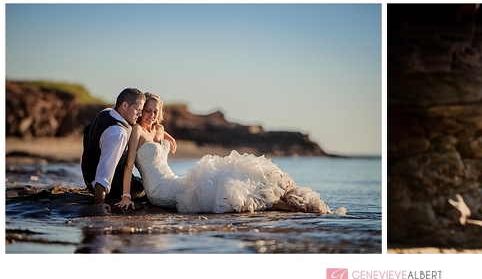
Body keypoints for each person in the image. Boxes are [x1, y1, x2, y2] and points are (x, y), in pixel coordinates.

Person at [115, 92, 345, 215]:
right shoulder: (136, 131)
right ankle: (273, 204)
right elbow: (128, 166)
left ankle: (279, 202)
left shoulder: (159, 129)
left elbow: (159, 135)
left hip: (172, 178)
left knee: (222, 176)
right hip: (159, 189)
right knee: (216, 184)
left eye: (156, 111)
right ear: (141, 109)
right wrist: (126, 196)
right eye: (147, 110)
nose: (151, 115)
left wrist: (169, 138)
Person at [81, 88, 146, 213]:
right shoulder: (118, 133)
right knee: (148, 189)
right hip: (114, 187)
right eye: (137, 110)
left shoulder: (105, 113)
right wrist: (100, 202)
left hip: (89, 179)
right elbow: (105, 171)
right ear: (125, 105)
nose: (140, 115)